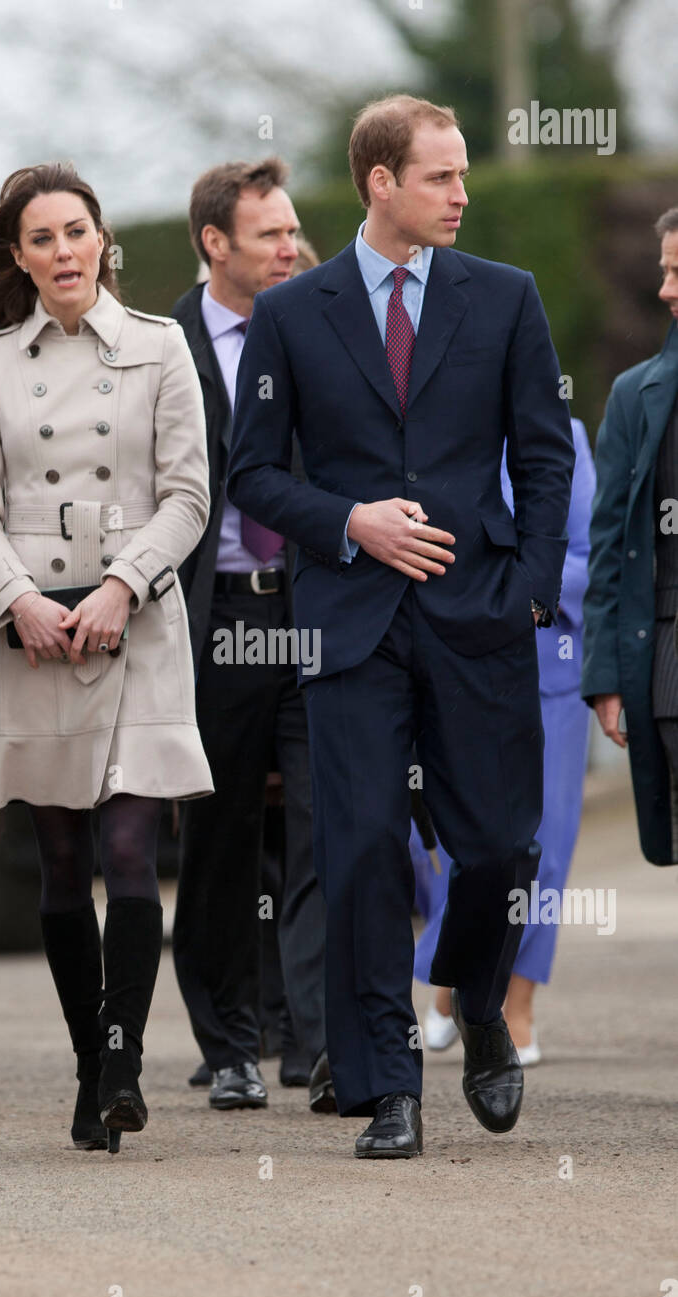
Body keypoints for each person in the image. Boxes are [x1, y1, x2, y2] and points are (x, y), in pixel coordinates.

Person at [228, 94, 574, 1159]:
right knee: (364, 849)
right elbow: (252, 475)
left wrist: (528, 585)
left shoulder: (505, 297)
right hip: (351, 624)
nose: (461, 193)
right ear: (380, 182)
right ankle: (388, 1087)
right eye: (441, 175)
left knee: (500, 847)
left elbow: (544, 455)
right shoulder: (293, 313)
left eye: (462, 173)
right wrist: (351, 522)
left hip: (479, 613)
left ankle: (476, 1000)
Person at [0, 162, 212, 1154]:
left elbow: (188, 494)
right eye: (43, 238)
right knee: (60, 860)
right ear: (20, 256)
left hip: (136, 625)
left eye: (77, 232)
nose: (63, 251)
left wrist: (120, 586)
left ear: (103, 241)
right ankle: (91, 1068)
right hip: (35, 634)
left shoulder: (160, 346)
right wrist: (19, 600)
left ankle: (124, 1063)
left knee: (131, 848)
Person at [170, 160, 332, 1114]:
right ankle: (229, 1043)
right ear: (213, 243)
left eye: (290, 228)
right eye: (267, 233)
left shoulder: (318, 328)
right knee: (219, 838)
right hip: (215, 618)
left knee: (324, 825)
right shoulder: (161, 346)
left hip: (312, 611)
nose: (288, 247)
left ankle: (316, 1038)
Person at [413, 419, 596, 1064]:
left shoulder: (566, 434)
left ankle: (515, 1005)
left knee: (545, 847)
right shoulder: (433, 417)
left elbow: (587, 555)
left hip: (549, 664)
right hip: (453, 655)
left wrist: (512, 588)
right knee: (449, 840)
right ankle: (454, 985)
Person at [582, 208, 678, 865]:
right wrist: (606, 676)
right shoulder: (633, 396)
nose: (665, 289)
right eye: (664, 270)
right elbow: (610, 545)